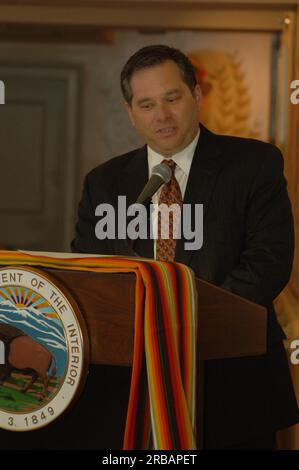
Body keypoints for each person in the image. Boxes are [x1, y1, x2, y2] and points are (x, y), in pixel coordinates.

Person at [72, 44, 299, 449]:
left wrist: (185, 327)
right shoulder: (103, 183)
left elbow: (267, 261)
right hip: (130, 380)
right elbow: (91, 273)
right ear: (130, 112)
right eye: (146, 104)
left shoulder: (254, 164)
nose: (161, 115)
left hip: (233, 378)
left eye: (172, 98)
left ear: (195, 96)